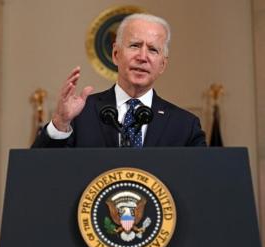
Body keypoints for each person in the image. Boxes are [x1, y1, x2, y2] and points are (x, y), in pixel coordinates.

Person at [32, 13, 206, 148]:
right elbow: (38, 170)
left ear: (162, 65)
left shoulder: (185, 126)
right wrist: (61, 122)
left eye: (153, 50)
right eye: (135, 45)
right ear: (116, 54)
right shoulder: (79, 115)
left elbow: (202, 184)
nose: (142, 57)